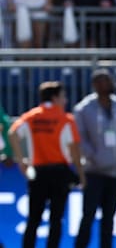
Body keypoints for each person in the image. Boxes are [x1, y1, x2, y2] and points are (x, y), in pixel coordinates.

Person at [8, 81, 86, 248]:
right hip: (60, 173)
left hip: (38, 173)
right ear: (55, 97)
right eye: (63, 96)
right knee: (56, 219)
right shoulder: (66, 119)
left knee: (33, 219)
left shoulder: (31, 117)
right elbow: (74, 150)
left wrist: (21, 160)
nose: (65, 101)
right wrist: (80, 175)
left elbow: (12, 133)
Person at [74, 69, 116, 248]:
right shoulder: (84, 108)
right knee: (88, 216)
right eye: (101, 82)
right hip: (94, 171)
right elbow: (80, 138)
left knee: (109, 218)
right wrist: (93, 156)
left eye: (108, 81)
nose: (106, 85)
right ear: (95, 85)